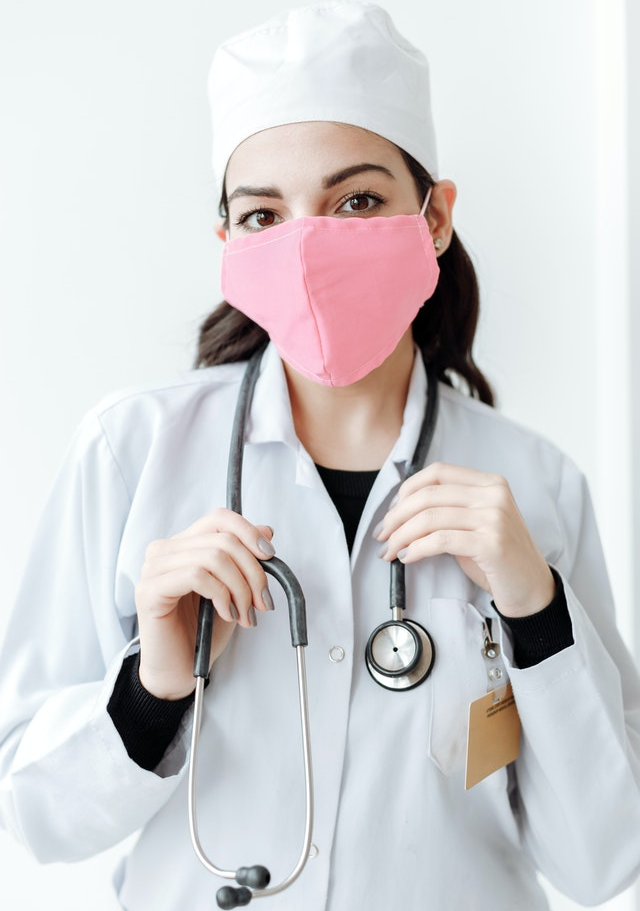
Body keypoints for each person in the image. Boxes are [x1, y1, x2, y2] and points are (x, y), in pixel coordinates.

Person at [1, 3, 639, 909]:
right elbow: (31, 811)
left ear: (436, 216)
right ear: (229, 247)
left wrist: (535, 609)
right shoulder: (131, 452)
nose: (307, 246)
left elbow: (603, 855)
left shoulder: (536, 487)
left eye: (358, 200)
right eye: (264, 214)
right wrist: (153, 684)